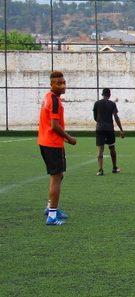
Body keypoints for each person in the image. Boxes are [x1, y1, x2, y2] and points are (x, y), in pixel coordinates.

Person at [39, 71, 76, 226]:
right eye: (58, 83)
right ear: (51, 85)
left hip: (47, 142)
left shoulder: (49, 97)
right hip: (52, 144)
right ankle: (52, 216)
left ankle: (50, 207)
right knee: (56, 177)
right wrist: (69, 138)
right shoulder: (54, 101)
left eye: (63, 82)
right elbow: (54, 125)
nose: (62, 85)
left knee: (58, 176)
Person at [93, 88, 125, 176]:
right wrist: (121, 130)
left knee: (100, 150)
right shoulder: (112, 104)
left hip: (99, 128)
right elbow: (116, 117)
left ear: (102, 94)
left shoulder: (97, 103)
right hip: (109, 128)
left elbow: (95, 117)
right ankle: (114, 168)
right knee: (112, 148)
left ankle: (100, 170)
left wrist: (100, 122)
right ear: (109, 95)